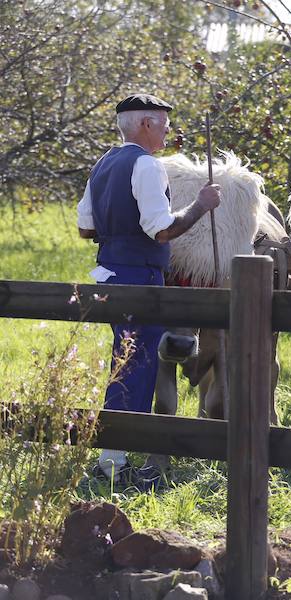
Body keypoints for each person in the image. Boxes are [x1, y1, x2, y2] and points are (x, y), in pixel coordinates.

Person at [76, 93, 221, 488]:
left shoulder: (103, 163)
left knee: (124, 363)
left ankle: (111, 458)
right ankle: (113, 465)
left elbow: (85, 228)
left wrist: (118, 233)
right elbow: (162, 229)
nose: (168, 131)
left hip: (108, 274)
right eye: (163, 123)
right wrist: (201, 205)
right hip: (139, 278)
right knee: (136, 367)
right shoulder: (147, 165)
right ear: (144, 125)